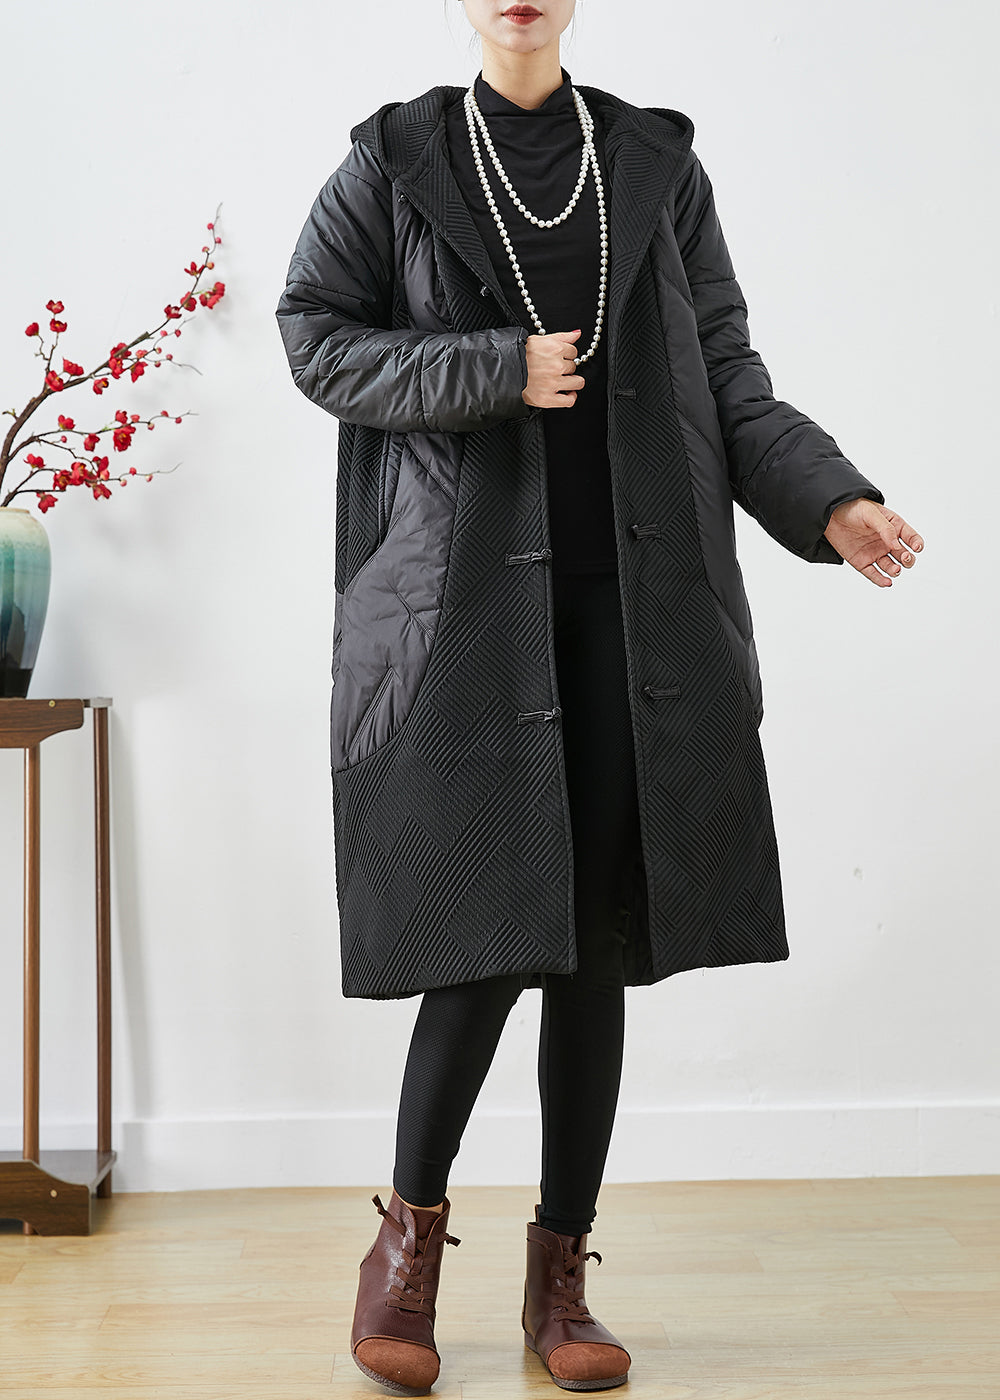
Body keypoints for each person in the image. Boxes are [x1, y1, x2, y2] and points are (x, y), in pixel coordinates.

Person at [275, 2, 924, 1393]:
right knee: (477, 942)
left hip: (634, 617)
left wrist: (830, 499)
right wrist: (492, 368)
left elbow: (727, 375)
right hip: (459, 621)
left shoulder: (653, 164)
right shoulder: (392, 161)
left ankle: (559, 1279)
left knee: (593, 953)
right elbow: (315, 339)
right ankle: (405, 1253)